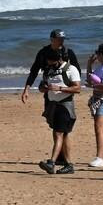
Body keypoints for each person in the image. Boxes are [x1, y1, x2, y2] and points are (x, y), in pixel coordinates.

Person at [21, 30, 80, 166]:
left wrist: (65, 88)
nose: (62, 41)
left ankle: (63, 160)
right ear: (52, 39)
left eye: (63, 39)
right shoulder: (43, 53)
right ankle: (60, 156)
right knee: (55, 126)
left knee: (62, 130)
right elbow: (34, 71)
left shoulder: (68, 53)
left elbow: (76, 73)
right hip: (49, 94)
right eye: (59, 39)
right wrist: (27, 89)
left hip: (65, 95)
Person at [39, 47, 81, 175]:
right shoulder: (49, 70)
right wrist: (43, 88)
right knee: (63, 135)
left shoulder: (71, 69)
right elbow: (42, 87)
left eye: (52, 62)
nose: (50, 64)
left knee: (58, 133)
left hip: (65, 106)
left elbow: (77, 88)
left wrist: (60, 88)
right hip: (53, 106)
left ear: (59, 59)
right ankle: (68, 164)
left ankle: (51, 162)